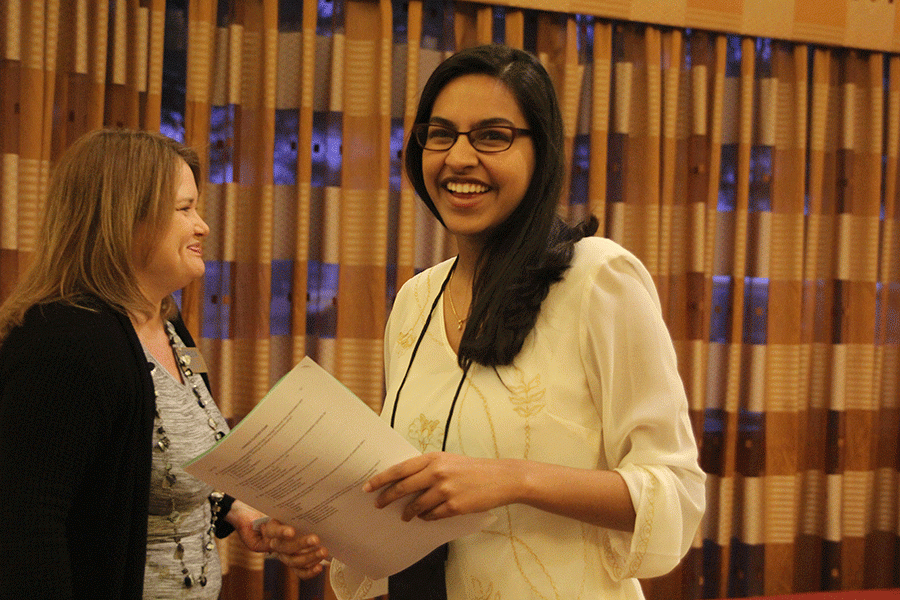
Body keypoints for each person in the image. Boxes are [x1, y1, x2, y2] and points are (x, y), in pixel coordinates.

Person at [310, 44, 706, 600]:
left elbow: (675, 492)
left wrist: (513, 479)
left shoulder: (598, 278)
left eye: (492, 136)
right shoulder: (415, 300)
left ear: (540, 153)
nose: (459, 158)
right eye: (441, 133)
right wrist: (323, 513)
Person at [0, 129, 327, 599]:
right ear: (124, 218)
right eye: (184, 208)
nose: (203, 226)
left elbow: (170, 462)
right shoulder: (64, 344)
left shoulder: (170, 330)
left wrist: (238, 511)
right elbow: (27, 527)